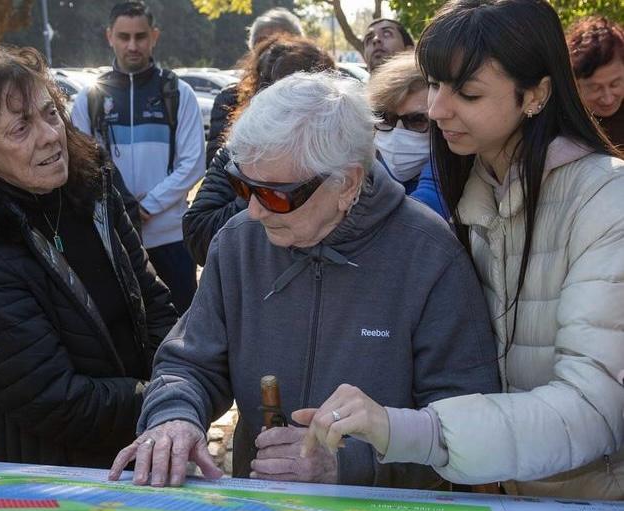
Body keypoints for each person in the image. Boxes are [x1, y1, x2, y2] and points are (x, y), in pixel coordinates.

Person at [298, 0, 624, 501]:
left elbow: (593, 409)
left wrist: (406, 429)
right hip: (504, 497)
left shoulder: (607, 200)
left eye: (467, 93)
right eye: (434, 84)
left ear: (536, 94)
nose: (436, 109)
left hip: (594, 501)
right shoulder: (474, 193)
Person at [110, 72, 500, 489]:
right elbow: (189, 362)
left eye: (276, 195)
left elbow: (466, 423)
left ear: (347, 183)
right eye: (245, 187)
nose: (256, 211)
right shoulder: (239, 242)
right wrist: (174, 417)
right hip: (264, 509)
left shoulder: (430, 255)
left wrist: (349, 466)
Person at [0, 46, 178, 469]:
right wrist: (166, 398)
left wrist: (175, 387)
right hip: (63, 478)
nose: (50, 135)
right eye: (20, 128)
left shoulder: (93, 195)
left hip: (151, 444)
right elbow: (53, 399)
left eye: (51, 114)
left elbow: (154, 301)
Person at [72, 1, 204, 315]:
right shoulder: (89, 98)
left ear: (154, 36)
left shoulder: (178, 93)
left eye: (140, 36)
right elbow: (80, 164)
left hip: (169, 238)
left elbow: (193, 162)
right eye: (124, 36)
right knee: (125, 335)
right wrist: (122, 210)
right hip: (112, 240)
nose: (133, 45)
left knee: (182, 327)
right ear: (110, 37)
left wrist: (146, 206)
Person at [184, 36, 335, 266]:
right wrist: (260, 190)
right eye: (273, 92)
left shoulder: (346, 163)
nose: (285, 110)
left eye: (300, 96)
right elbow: (200, 238)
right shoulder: (234, 155)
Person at [205, 7, 304, 164]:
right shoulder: (230, 98)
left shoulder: (311, 99)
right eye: (262, 42)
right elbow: (214, 158)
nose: (270, 51)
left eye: (279, 43)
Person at [367, 51, 446, 217]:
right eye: (386, 118)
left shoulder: (462, 170)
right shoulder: (364, 172)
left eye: (417, 120)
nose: (398, 132)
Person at [567, 16, 624, 147]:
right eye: (595, 88)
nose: (608, 99)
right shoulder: (564, 122)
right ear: (575, 84)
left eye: (614, 84)